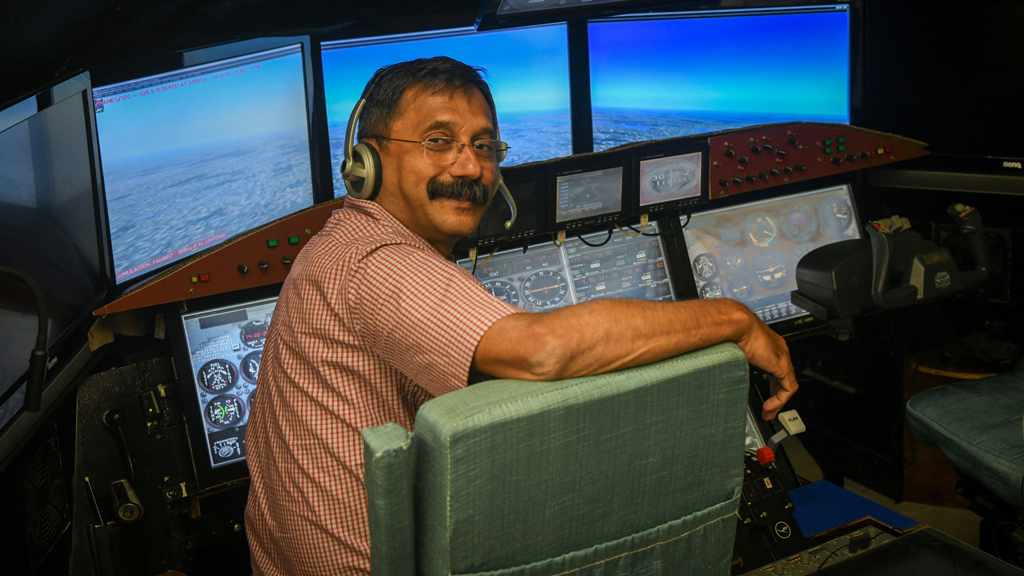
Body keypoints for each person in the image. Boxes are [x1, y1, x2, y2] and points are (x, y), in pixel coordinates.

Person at [244, 56, 797, 576]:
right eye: (439, 142)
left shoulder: (357, 245)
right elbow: (541, 351)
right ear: (367, 160)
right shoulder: (374, 261)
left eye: (485, 146)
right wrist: (734, 319)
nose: (469, 166)